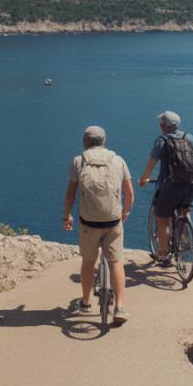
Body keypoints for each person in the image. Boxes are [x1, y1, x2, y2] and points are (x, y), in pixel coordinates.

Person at [62, 125, 134, 324]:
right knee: (116, 262)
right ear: (104, 141)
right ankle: (119, 308)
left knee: (88, 262)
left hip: (89, 222)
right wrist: (125, 211)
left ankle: (85, 304)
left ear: (85, 140)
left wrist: (66, 216)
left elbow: (70, 194)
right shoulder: (118, 160)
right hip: (113, 220)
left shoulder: (78, 161)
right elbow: (129, 193)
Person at [138, 111, 193, 265]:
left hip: (170, 187)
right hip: (192, 185)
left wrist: (143, 179)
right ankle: (186, 233)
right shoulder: (189, 137)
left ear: (163, 126)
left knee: (162, 220)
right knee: (185, 208)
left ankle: (164, 255)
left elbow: (152, 162)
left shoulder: (162, 141)